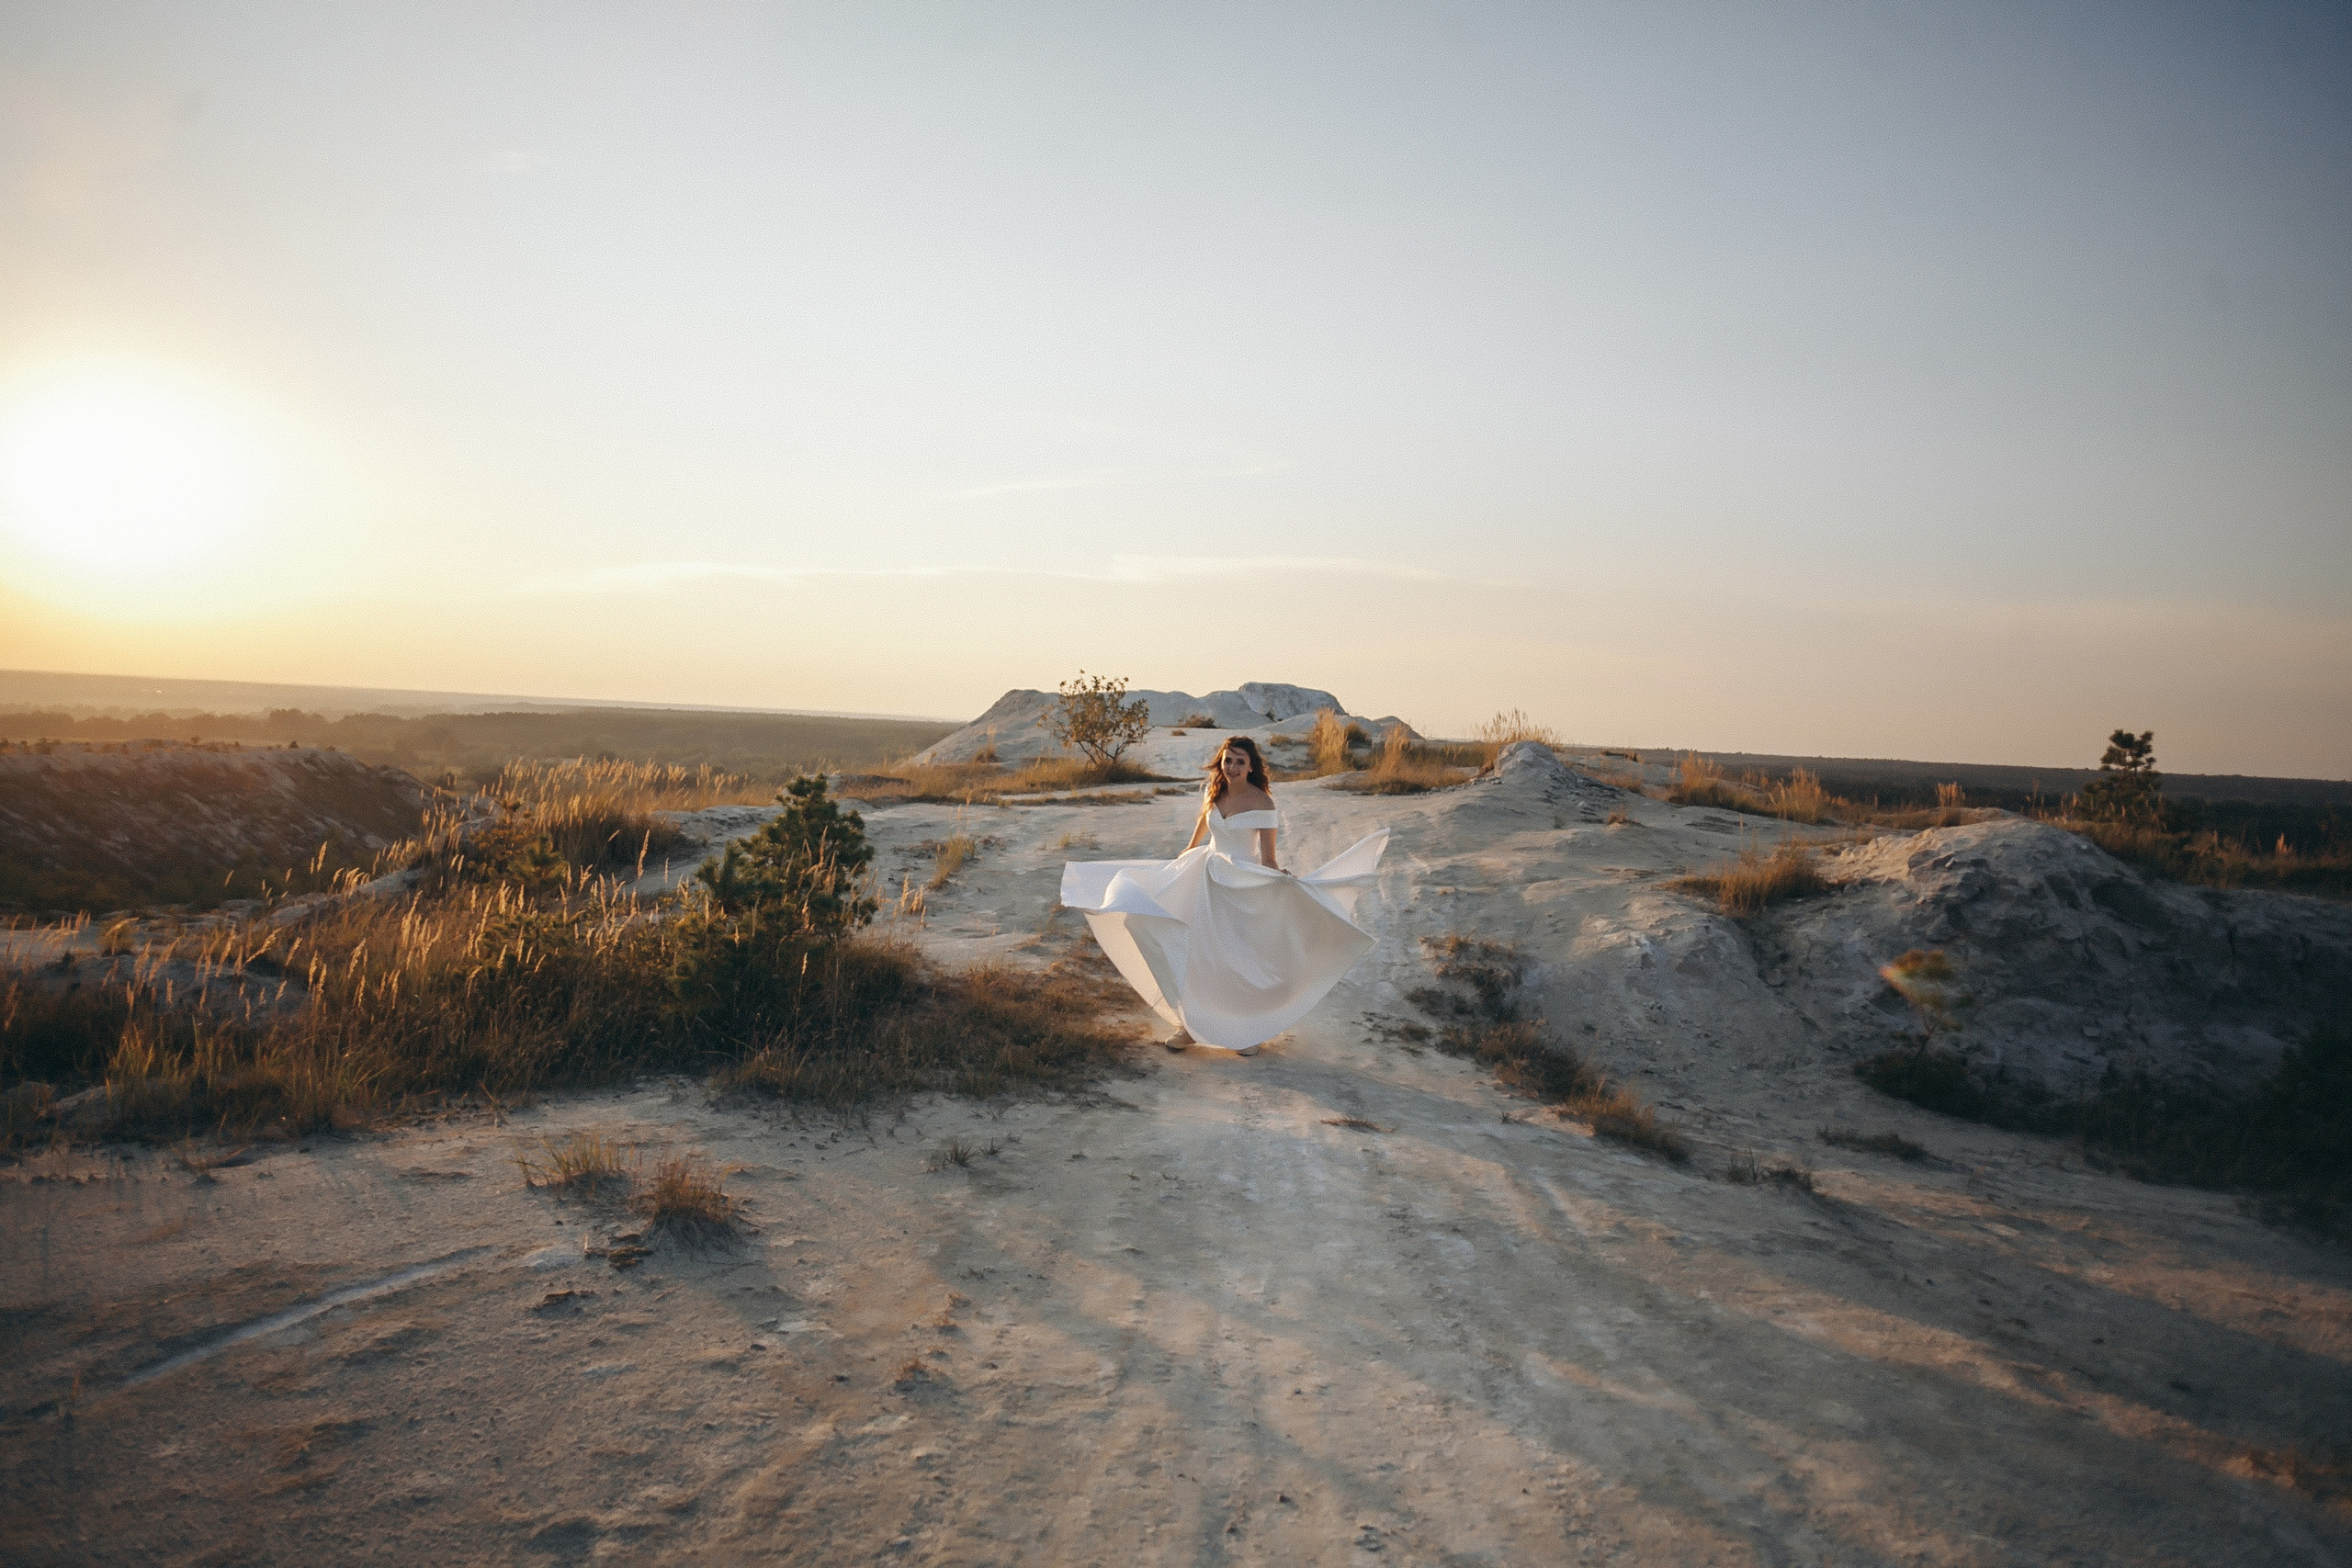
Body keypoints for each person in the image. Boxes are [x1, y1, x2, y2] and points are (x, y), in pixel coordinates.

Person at [1058, 736, 1386, 1056]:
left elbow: (1269, 858)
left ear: (1251, 767)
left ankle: (1247, 1030)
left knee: (1238, 958)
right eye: (1228, 760)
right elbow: (1199, 834)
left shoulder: (1264, 803)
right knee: (1195, 950)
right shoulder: (1213, 793)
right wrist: (1180, 861)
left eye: (1239, 762)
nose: (1231, 767)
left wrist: (1283, 880)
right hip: (1205, 879)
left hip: (1242, 886)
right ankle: (1191, 1025)